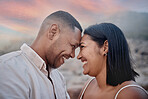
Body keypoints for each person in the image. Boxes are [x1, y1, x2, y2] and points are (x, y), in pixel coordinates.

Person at [0, 10, 82, 99]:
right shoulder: (8, 68)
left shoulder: (58, 77)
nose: (73, 55)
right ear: (53, 32)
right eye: (72, 46)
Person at [77, 23, 148, 99]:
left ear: (105, 47)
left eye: (82, 47)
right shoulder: (88, 86)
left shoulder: (131, 94)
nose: (78, 56)